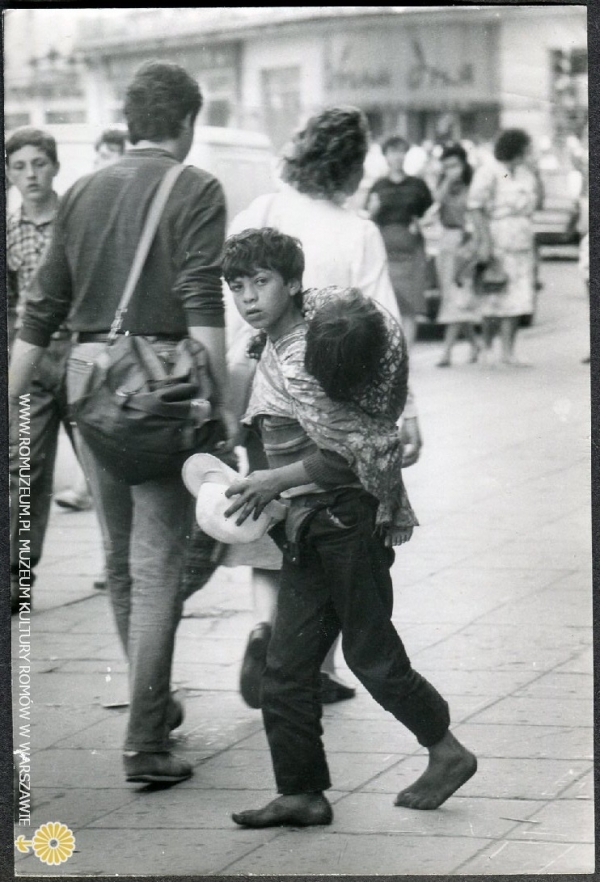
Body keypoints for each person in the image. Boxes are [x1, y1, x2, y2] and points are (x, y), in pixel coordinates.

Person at [8, 61, 235, 785]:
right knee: (160, 561)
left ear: (132, 120)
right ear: (187, 123)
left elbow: (40, 309)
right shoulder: (195, 187)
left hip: (91, 393)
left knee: (120, 558)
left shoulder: (81, 192)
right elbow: (203, 303)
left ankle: (152, 700)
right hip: (165, 399)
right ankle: (145, 738)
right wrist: (221, 406)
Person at [220, 228, 477, 828]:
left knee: (370, 654)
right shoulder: (287, 330)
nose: (249, 297)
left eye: (262, 283)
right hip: (313, 525)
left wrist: (270, 481)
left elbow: (349, 453)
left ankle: (448, 751)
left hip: (346, 522)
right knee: (285, 667)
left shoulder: (308, 353)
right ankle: (302, 792)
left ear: (292, 283)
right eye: (238, 286)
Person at [225, 106, 423, 706]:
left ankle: (268, 630)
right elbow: (385, 327)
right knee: (323, 515)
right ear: (352, 165)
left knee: (269, 512)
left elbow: (227, 294)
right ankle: (318, 663)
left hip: (262, 393)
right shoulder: (357, 230)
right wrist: (406, 411)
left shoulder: (263, 210)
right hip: (332, 401)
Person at [6, 127, 78, 614]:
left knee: (102, 459)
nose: (31, 175)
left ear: (55, 166)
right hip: (32, 358)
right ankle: (20, 580)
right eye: (19, 166)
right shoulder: (9, 232)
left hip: (82, 354)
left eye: (39, 164)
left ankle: (124, 569)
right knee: (25, 468)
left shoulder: (75, 222)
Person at [54, 127, 127, 516]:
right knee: (93, 429)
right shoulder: (86, 206)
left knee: (107, 433)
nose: (105, 163)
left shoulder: (130, 212)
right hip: (90, 341)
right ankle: (87, 490)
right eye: (101, 155)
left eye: (113, 155)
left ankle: (87, 491)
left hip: (121, 342)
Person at [468, 128, 538, 367]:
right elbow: (475, 207)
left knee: (518, 297)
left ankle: (509, 351)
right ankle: (487, 348)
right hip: (498, 239)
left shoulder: (526, 174)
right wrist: (484, 241)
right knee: (494, 294)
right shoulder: (489, 172)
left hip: (521, 241)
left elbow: (536, 203)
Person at [366, 135, 433, 349]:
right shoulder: (378, 185)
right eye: (392, 151)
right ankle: (391, 352)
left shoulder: (418, 185)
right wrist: (373, 211)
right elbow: (367, 219)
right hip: (384, 250)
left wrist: (421, 224)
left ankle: (408, 354)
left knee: (410, 304)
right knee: (385, 301)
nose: (397, 156)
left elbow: (431, 213)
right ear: (385, 156)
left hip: (411, 250)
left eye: (401, 151)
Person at [433, 143, 481, 367]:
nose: (451, 169)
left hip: (465, 240)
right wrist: (447, 181)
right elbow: (436, 201)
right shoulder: (444, 184)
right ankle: (474, 344)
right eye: (446, 166)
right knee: (452, 298)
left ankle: (446, 351)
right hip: (446, 239)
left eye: (454, 165)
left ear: (463, 164)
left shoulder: (473, 184)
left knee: (457, 296)